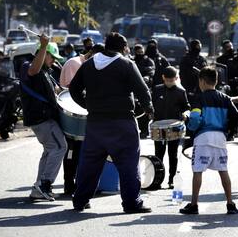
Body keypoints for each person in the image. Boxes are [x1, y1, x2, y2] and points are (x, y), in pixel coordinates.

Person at [69, 32, 153, 213]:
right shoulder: (126, 64)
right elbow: (143, 91)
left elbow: (74, 89)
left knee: (89, 164)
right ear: (123, 47)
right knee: (128, 164)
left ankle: (80, 200)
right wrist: (149, 109)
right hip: (122, 123)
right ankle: (131, 203)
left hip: (95, 124)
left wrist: (88, 105)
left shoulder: (89, 64)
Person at [179, 66, 238, 215]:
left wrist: (189, 124)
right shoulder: (225, 98)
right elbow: (237, 116)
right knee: (223, 170)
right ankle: (230, 203)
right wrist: (229, 131)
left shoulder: (198, 98)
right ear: (216, 81)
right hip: (220, 137)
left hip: (203, 138)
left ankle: (194, 205)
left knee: (198, 171)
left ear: (202, 81)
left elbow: (195, 118)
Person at [20, 36, 68, 201]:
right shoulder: (29, 66)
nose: (54, 60)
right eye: (52, 56)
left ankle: (38, 187)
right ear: (43, 53)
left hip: (44, 118)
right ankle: (44, 185)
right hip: (42, 118)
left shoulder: (47, 72)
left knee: (50, 150)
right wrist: (44, 45)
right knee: (60, 147)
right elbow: (33, 70)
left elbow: (57, 90)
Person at [59, 43, 104, 195]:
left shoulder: (93, 66)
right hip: (71, 116)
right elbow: (73, 90)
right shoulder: (75, 63)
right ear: (91, 53)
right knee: (71, 152)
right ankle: (68, 183)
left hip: (84, 115)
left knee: (81, 153)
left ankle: (79, 184)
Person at [152, 66, 190, 189]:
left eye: (172, 80)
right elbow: (151, 104)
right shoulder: (157, 90)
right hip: (159, 125)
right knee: (159, 154)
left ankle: (171, 179)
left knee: (172, 154)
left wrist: (185, 114)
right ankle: (157, 179)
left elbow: (186, 107)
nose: (169, 82)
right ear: (163, 78)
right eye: (167, 80)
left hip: (174, 126)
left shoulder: (180, 92)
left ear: (176, 78)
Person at [133, 44, 156, 138]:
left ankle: (144, 130)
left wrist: (146, 77)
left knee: (145, 110)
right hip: (133, 90)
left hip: (146, 88)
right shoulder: (131, 61)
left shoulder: (148, 61)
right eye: (138, 52)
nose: (140, 54)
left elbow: (151, 72)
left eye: (141, 52)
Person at [179, 39, 208, 106]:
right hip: (189, 87)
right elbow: (182, 75)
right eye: (197, 46)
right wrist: (187, 89)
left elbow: (206, 72)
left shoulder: (202, 59)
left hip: (201, 88)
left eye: (200, 46)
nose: (199, 47)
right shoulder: (186, 59)